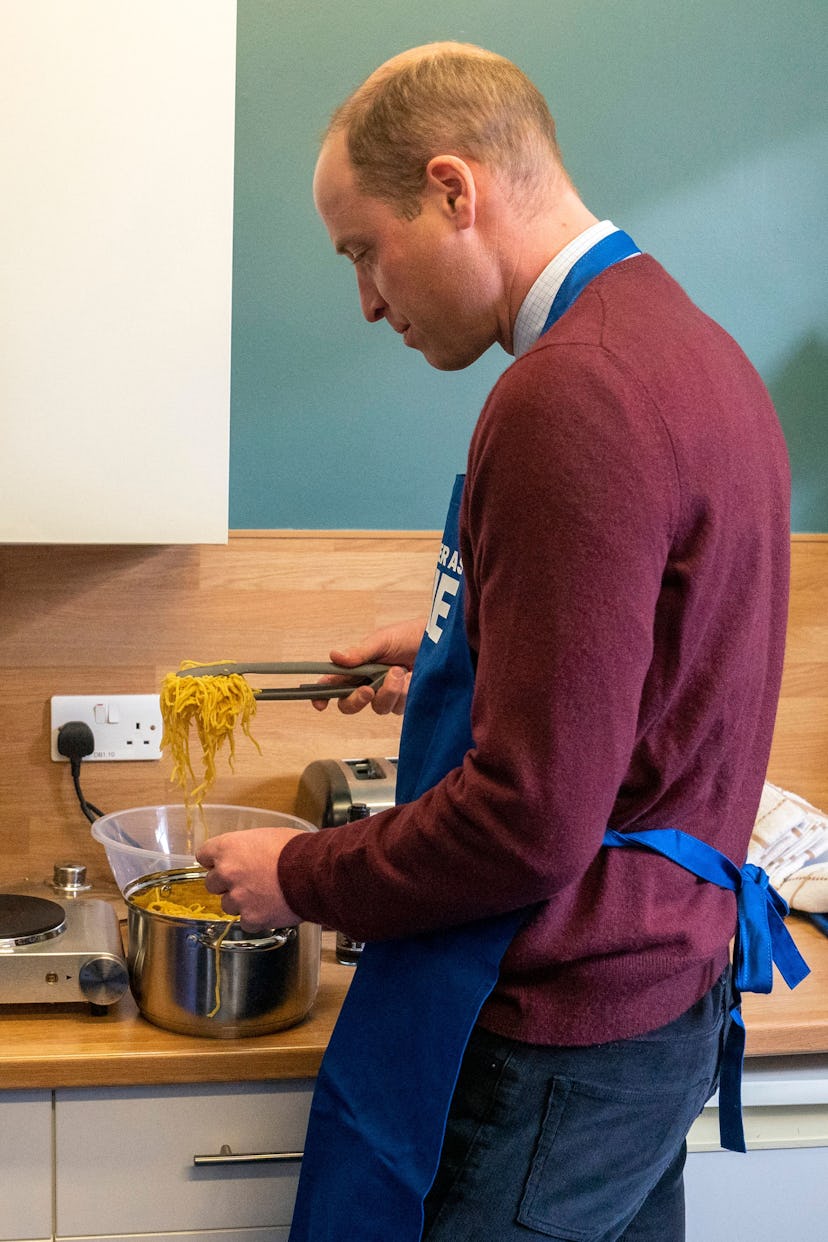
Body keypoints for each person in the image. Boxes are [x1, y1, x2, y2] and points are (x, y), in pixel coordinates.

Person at [197, 43, 794, 1242]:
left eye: (364, 251)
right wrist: (465, 659)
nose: (369, 302)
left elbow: (531, 819)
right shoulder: (692, 348)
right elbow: (658, 673)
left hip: (560, 1045)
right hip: (658, 1006)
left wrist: (299, 877)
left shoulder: (570, 395)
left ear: (452, 190)